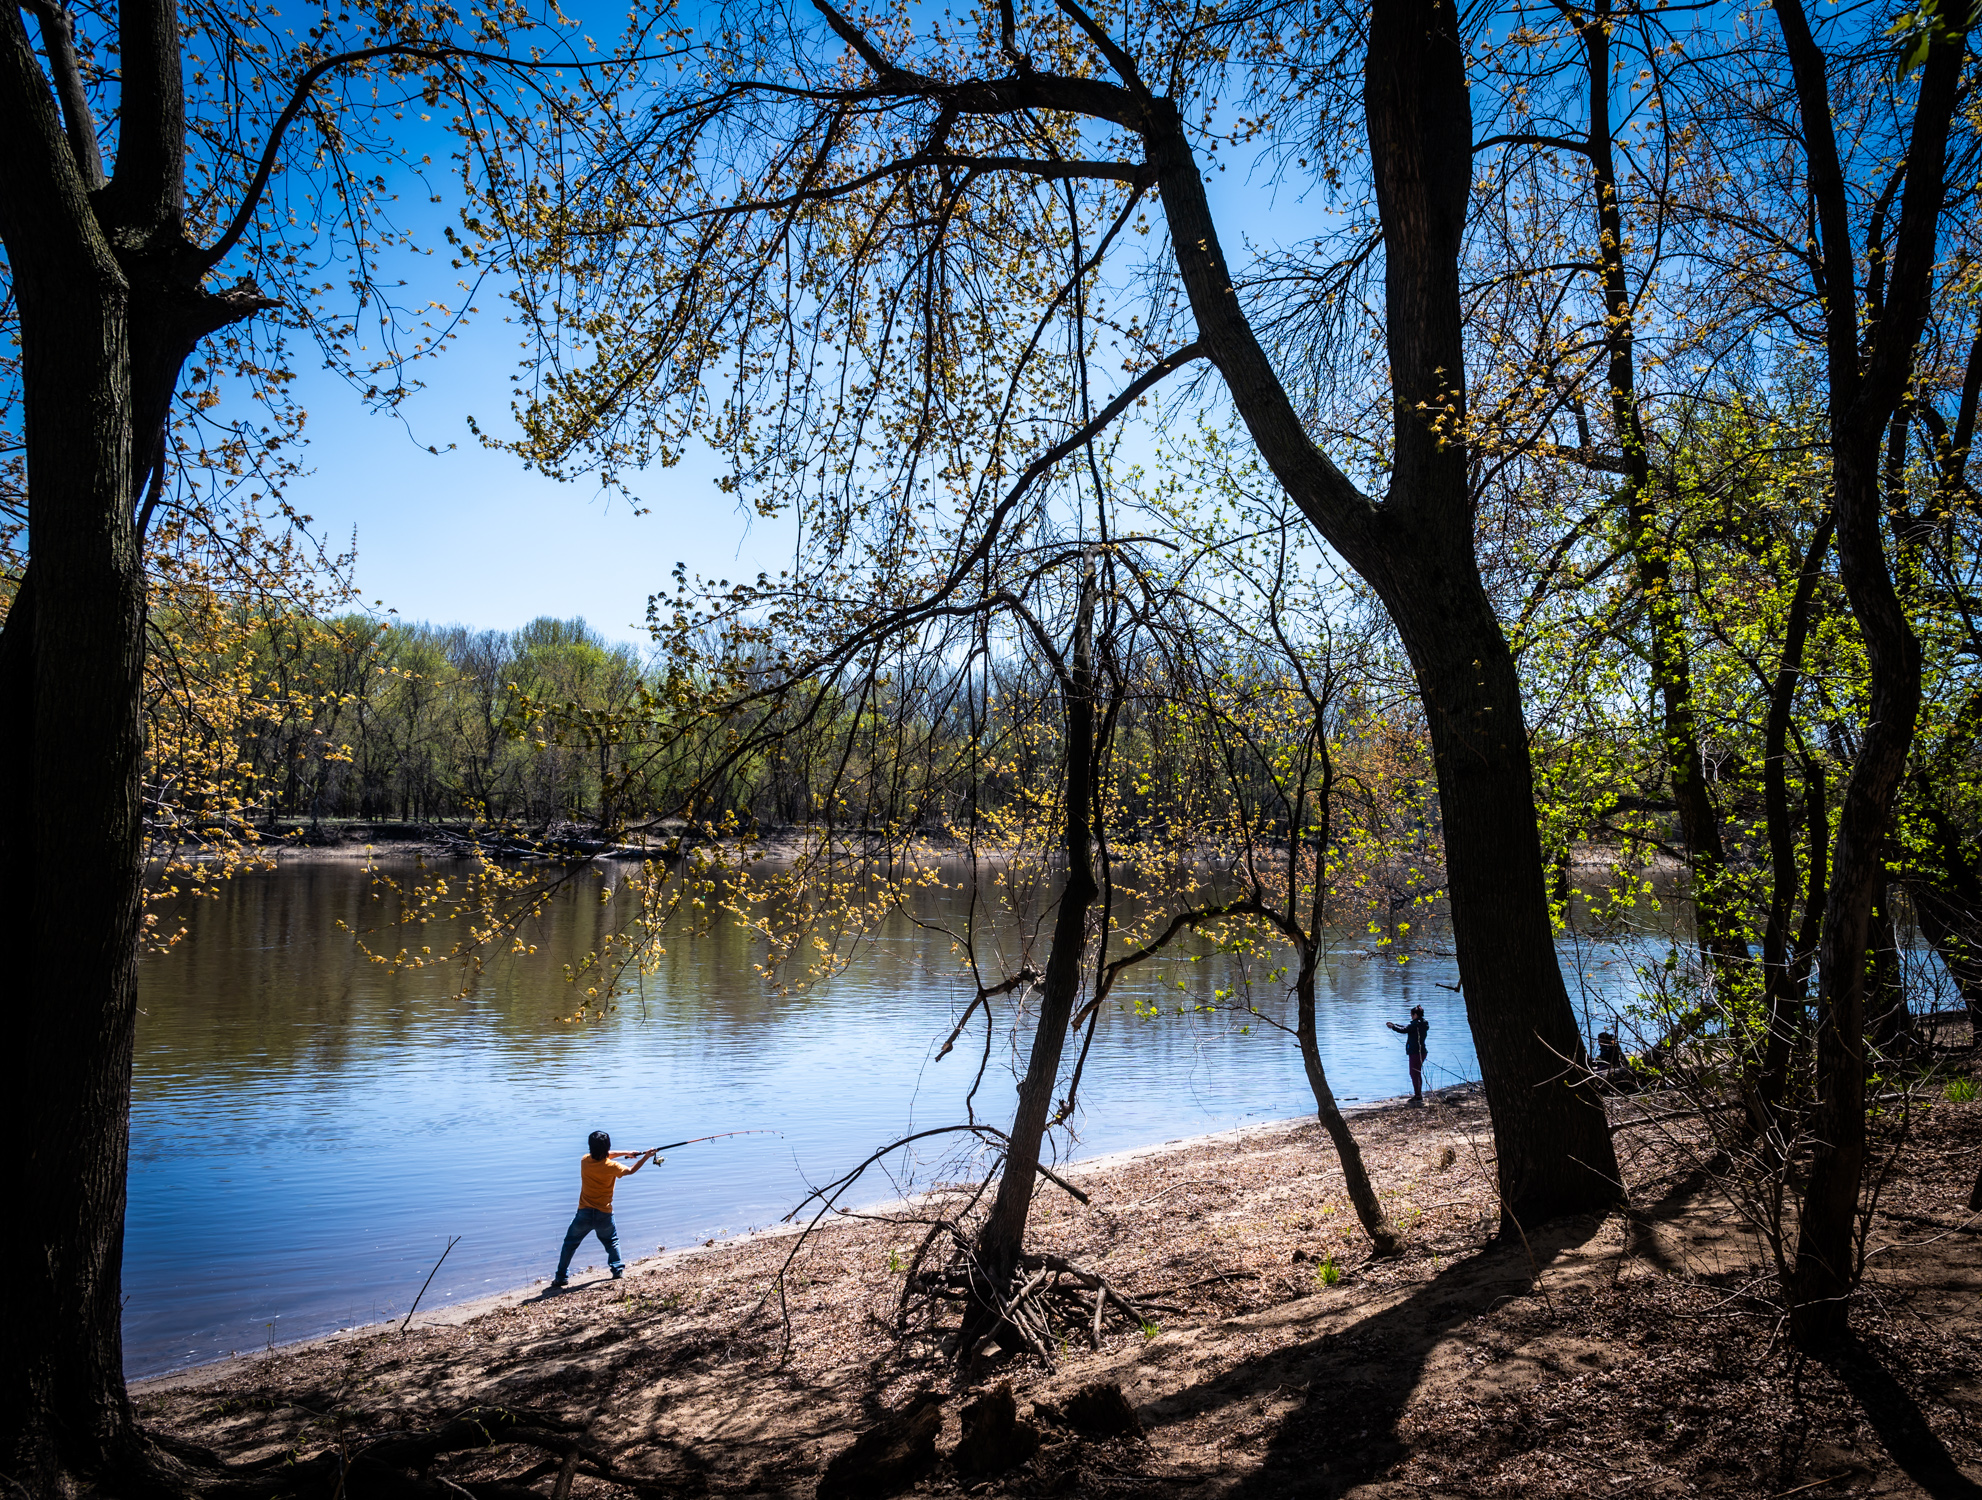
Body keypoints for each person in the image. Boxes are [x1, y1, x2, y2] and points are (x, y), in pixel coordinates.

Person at [551, 1130, 661, 1289]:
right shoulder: (612, 1166)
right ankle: (617, 1270)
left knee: (570, 1244)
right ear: (607, 1147)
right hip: (604, 1213)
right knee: (612, 1241)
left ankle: (561, 1277)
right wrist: (645, 1156)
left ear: (590, 1147)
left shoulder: (585, 1161)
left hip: (584, 1213)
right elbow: (630, 1171)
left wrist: (627, 1153)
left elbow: (604, 1155)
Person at [1386, 1005, 1430, 1104]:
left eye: (1411, 1015)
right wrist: (1395, 1025)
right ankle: (1418, 1094)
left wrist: (1393, 1027)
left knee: (1414, 1073)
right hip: (1422, 1052)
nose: (1411, 1016)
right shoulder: (1423, 1024)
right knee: (1417, 1073)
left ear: (1415, 1015)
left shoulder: (1415, 1025)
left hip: (1415, 1052)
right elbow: (1407, 1028)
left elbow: (1404, 1030)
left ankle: (1418, 1096)